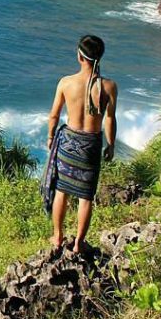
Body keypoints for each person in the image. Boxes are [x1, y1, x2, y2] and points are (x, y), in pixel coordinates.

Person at [40, 35, 118, 254]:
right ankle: (79, 244)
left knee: (61, 192)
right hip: (91, 144)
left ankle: (57, 236)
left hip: (69, 143)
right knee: (86, 197)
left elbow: (53, 116)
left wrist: (49, 137)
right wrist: (110, 145)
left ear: (79, 57)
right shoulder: (109, 86)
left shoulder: (66, 83)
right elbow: (110, 118)